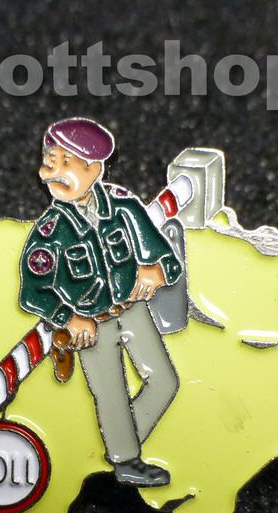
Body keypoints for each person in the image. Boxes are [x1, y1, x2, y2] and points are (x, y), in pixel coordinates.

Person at [19, 117, 182, 488]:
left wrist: (156, 270)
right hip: (92, 325)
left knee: (165, 381)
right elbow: (33, 291)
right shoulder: (50, 232)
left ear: (94, 168)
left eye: (64, 163)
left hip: (134, 311)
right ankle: (125, 461)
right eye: (48, 162)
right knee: (111, 393)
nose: (50, 173)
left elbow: (165, 256)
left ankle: (115, 446)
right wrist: (69, 317)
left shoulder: (123, 207)